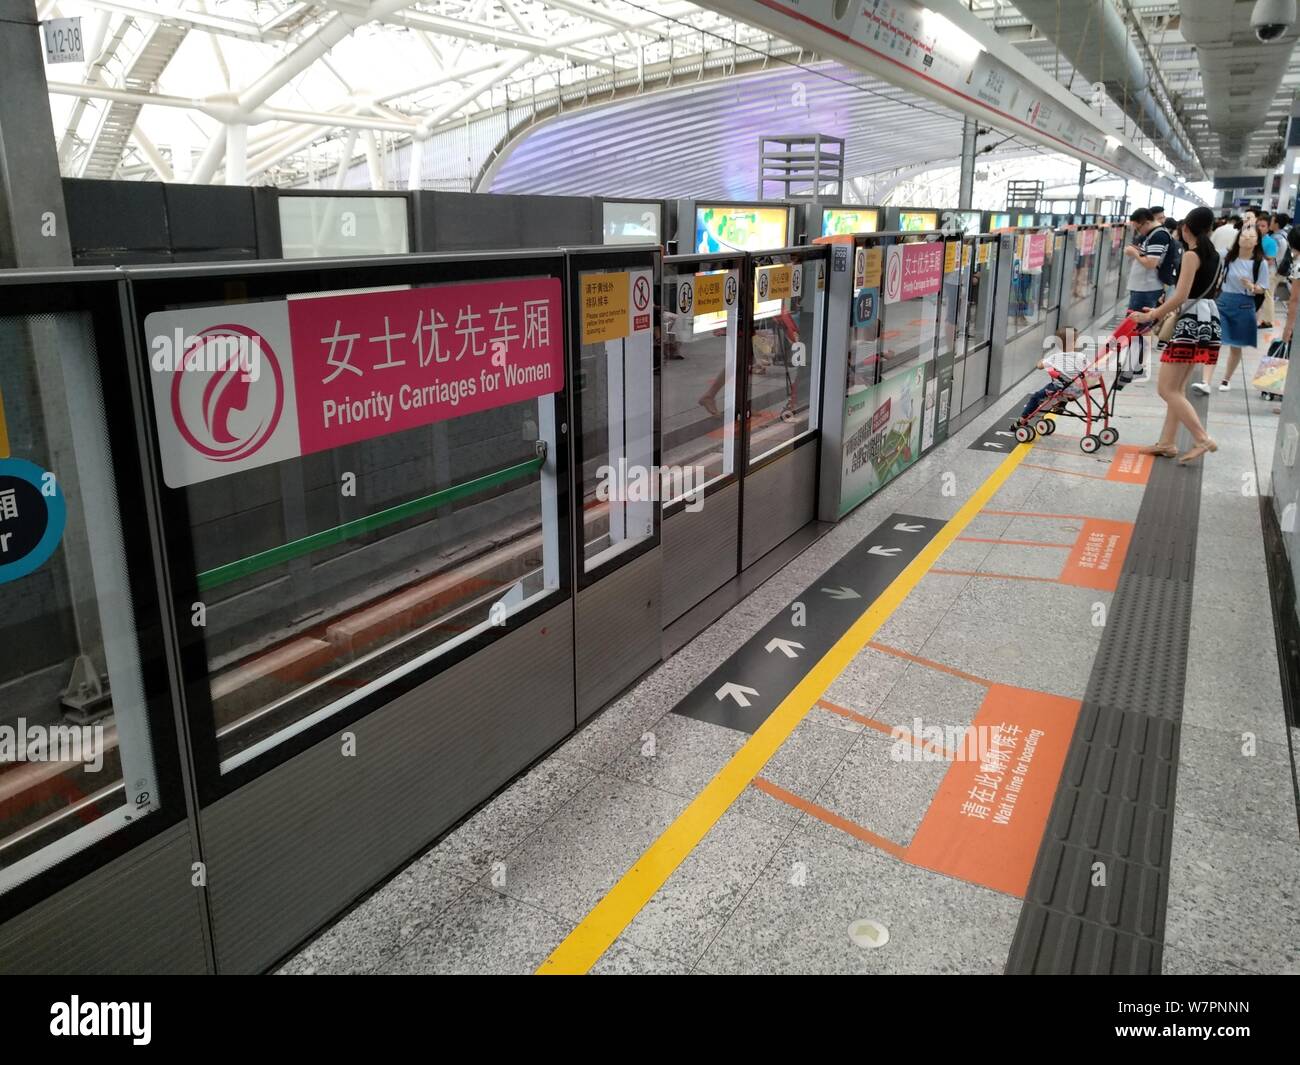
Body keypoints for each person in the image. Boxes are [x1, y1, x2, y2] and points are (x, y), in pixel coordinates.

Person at [1128, 206, 1221, 464]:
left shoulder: (1192, 255)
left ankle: (1202, 438)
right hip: (1207, 319)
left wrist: (1151, 315)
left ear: (1186, 228)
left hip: (1189, 322)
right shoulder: (1216, 255)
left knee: (1166, 389)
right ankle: (1168, 443)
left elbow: (1180, 295)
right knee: (1177, 389)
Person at [1189, 222, 1268, 394]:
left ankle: (1226, 379)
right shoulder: (1226, 256)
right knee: (1213, 342)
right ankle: (1206, 381)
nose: (1246, 239)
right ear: (1237, 238)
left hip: (1245, 305)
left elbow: (1263, 287)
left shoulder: (1260, 264)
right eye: (1243, 236)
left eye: (1251, 237)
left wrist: (1252, 287)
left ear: (1257, 242)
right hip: (1222, 303)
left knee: (1236, 345)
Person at [1015, 327, 1093, 425]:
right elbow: (1091, 370)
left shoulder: (1055, 357)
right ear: (1074, 342)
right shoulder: (1082, 356)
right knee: (1068, 382)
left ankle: (1023, 418)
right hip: (1078, 391)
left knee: (1036, 396)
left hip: (1061, 390)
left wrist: (1041, 360)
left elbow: (1039, 366)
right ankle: (1060, 405)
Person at [1124, 208, 1172, 314]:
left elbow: (1151, 263)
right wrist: (1137, 250)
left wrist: (1134, 253)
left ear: (1147, 223)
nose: (1138, 231)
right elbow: (1150, 255)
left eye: (1138, 228)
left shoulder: (1158, 236)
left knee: (1136, 326)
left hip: (1146, 288)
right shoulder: (1154, 234)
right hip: (1144, 287)